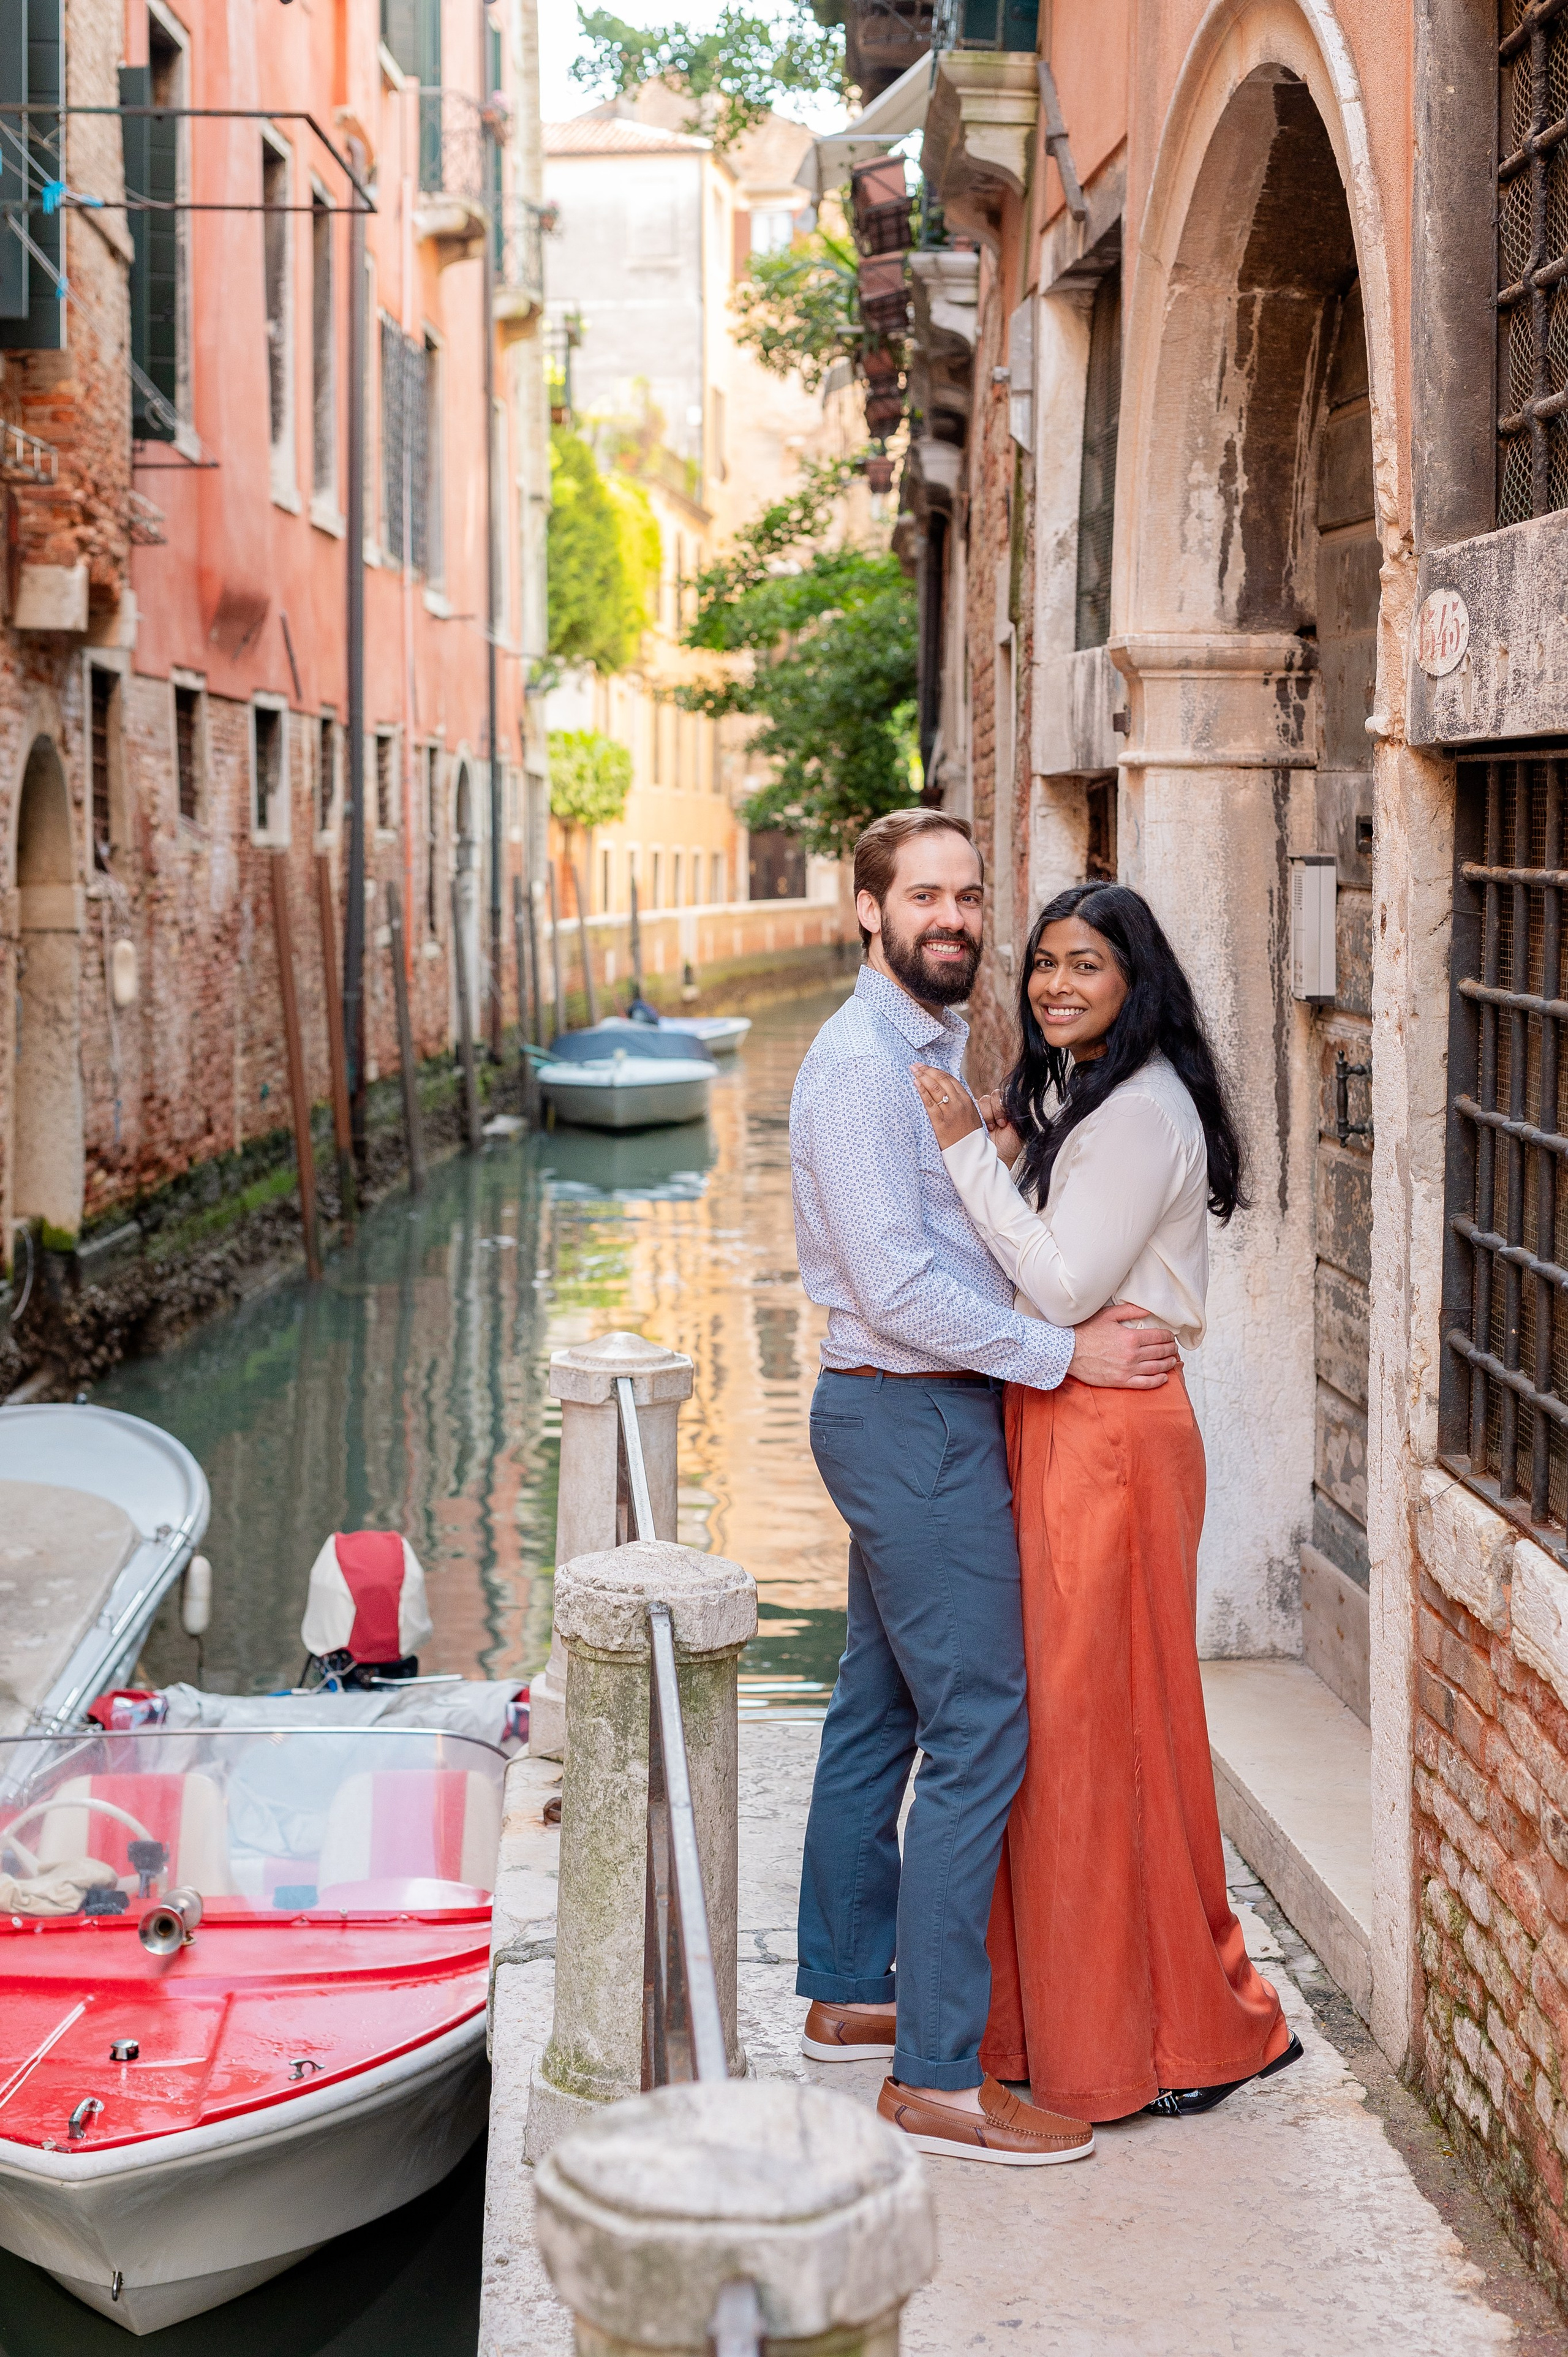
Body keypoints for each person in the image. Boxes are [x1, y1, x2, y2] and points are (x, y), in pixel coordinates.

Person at [790, 810, 1181, 2167]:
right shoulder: (857, 1066)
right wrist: (1058, 1354)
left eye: (966, 897)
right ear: (865, 912)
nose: (952, 919)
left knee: (879, 1702)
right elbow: (895, 1287)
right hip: (914, 1417)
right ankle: (938, 2074)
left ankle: (849, 1990)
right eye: (923, 898)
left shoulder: (935, 1050)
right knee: (981, 1730)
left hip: (915, 1413)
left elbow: (943, 1238)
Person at [910, 880, 1302, 2123]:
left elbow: (1070, 1285)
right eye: (1040, 966)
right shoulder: (1087, 1102)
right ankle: (1070, 2025)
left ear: (1135, 982)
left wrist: (966, 1157)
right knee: (1071, 1733)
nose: (1052, 986)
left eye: (1082, 965)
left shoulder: (1137, 1113)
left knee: (1103, 1733)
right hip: (1067, 1422)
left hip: (1109, 1436)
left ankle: (1173, 2033)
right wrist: (1010, 1150)